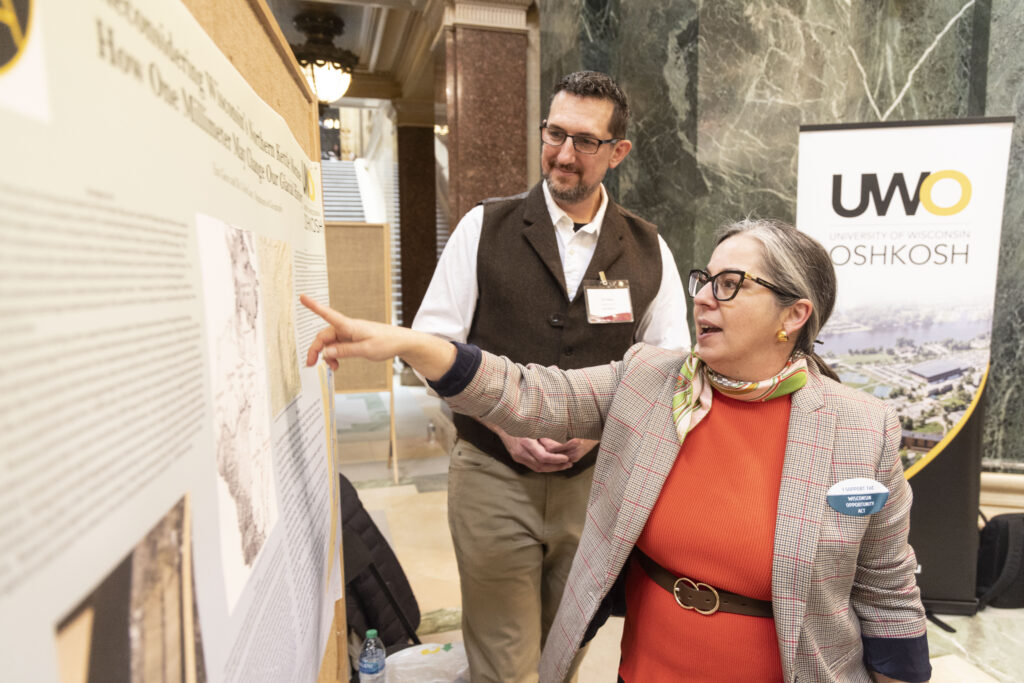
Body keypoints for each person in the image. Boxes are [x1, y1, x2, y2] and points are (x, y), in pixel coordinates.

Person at [300, 217, 931, 683]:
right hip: (652, 668)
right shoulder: (649, 382)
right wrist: (414, 344)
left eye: (732, 284)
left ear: (793, 315)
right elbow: (529, 395)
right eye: (705, 278)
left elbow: (886, 586)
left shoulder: (859, 427)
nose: (704, 295)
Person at [410, 71, 689, 681]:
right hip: (491, 476)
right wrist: (503, 420)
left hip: (593, 485)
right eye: (554, 134)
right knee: (502, 658)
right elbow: (433, 344)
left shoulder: (648, 249)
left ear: (617, 153)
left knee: (565, 645)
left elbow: (672, 369)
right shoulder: (485, 227)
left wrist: (594, 432)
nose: (563, 155)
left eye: (585, 141)